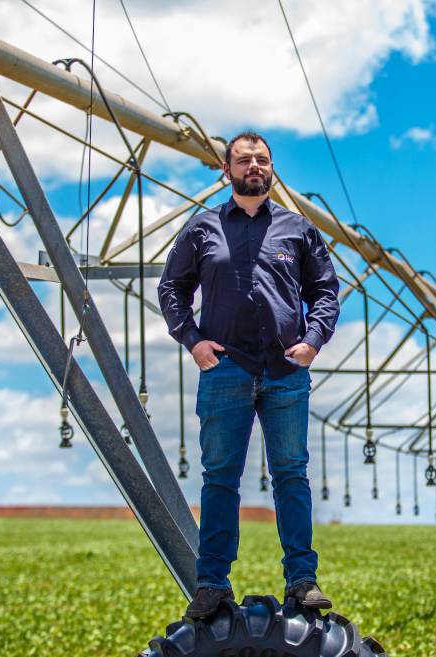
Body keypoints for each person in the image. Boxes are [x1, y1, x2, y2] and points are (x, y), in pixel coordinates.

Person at [158, 131, 340, 619]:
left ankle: (302, 581)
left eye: (262, 159)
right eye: (244, 160)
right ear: (227, 170)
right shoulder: (203, 228)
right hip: (225, 369)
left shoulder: (297, 229)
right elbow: (172, 288)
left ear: (271, 169)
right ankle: (212, 583)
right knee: (220, 477)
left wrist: (314, 341)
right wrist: (193, 341)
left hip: (285, 372)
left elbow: (325, 290)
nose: (254, 166)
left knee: (291, 475)